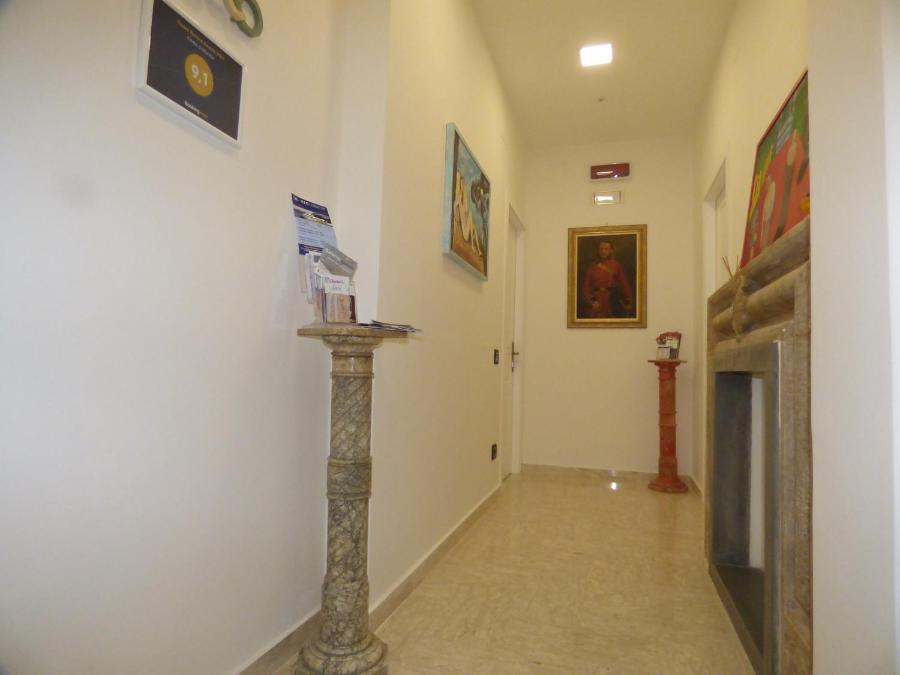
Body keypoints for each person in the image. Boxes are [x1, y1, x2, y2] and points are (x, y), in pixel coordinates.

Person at [581, 240, 634, 318]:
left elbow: (624, 284)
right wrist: (593, 301)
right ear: (598, 250)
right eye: (601, 249)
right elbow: (586, 287)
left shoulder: (616, 265)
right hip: (597, 300)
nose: (603, 251)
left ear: (611, 251)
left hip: (613, 300)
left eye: (606, 249)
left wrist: (628, 301)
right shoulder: (592, 266)